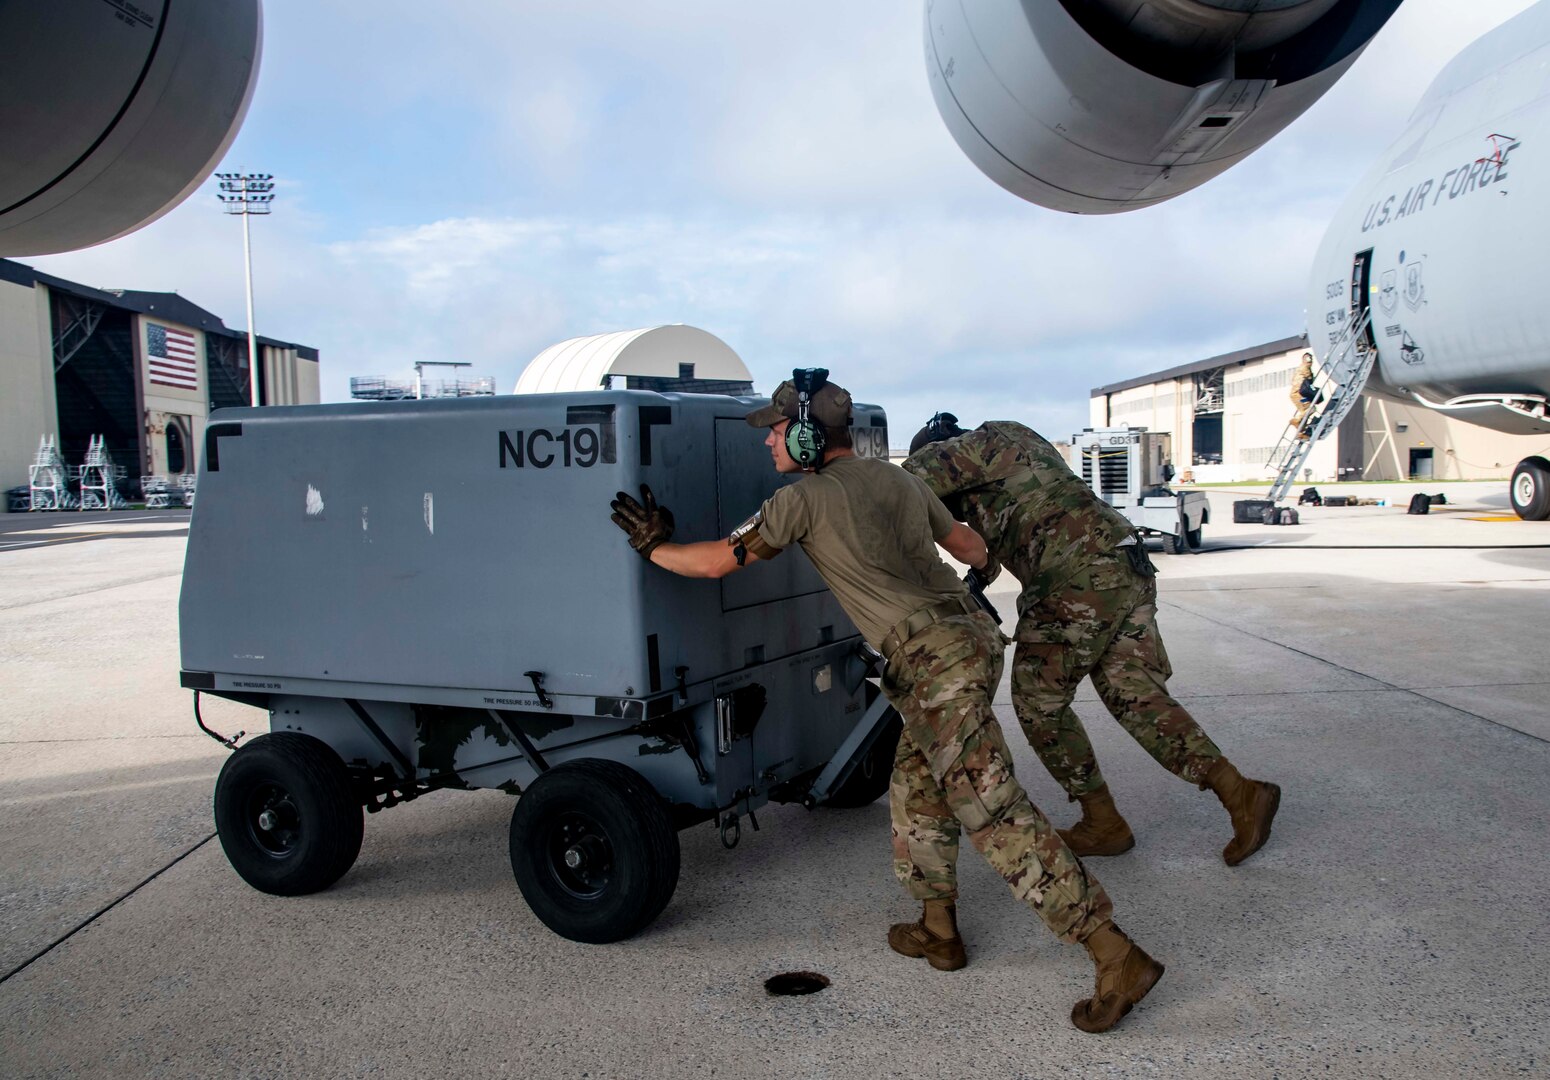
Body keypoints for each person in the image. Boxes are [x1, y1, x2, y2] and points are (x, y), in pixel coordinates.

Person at [609, 374, 1163, 1033]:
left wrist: (653, 546)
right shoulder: (901, 479)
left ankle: (1111, 951)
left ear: (809, 436)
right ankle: (938, 929)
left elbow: (714, 564)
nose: (770, 443)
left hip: (933, 664)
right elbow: (971, 548)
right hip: (973, 643)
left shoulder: (800, 501)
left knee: (991, 808)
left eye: (778, 431)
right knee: (916, 787)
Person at [903, 413, 1281, 866]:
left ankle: (1102, 821)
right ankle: (1239, 792)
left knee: (1038, 702)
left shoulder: (948, 454)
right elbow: (999, 539)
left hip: (1076, 578)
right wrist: (980, 572)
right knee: (1134, 694)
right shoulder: (1013, 438)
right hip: (1124, 559)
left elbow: (889, 487)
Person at [1291, 353, 1323, 439]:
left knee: (1305, 413)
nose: (1311, 362)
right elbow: (1308, 383)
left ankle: (1301, 433)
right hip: (1300, 396)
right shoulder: (1305, 369)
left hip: (1295, 395)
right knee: (1311, 409)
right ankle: (1296, 421)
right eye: (1310, 360)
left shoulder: (1299, 369)